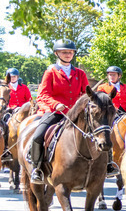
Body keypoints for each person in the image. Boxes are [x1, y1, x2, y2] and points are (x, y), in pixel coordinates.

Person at [27, 39, 90, 184]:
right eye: (64, 52)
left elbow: (86, 93)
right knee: (38, 135)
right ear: (57, 53)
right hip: (56, 112)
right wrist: (55, 104)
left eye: (70, 52)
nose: (68, 54)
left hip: (75, 114)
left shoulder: (80, 73)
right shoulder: (50, 72)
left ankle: (107, 165)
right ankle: (36, 168)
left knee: (100, 131)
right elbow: (43, 94)